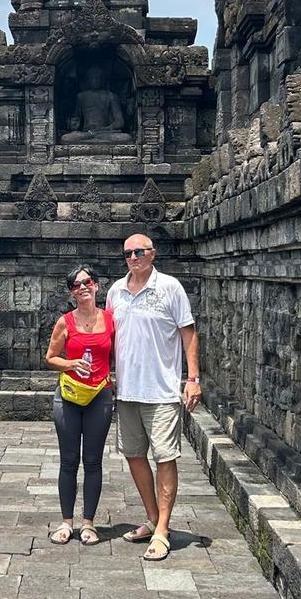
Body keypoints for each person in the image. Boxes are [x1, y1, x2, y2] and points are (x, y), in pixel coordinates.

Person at [106, 233, 201, 561]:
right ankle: (152, 517)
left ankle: (162, 529)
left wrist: (192, 379)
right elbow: (109, 337)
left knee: (164, 457)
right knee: (134, 455)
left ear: (153, 254)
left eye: (139, 252)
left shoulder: (170, 287)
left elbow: (188, 334)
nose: (133, 257)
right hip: (127, 390)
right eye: (128, 253)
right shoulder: (115, 291)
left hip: (161, 391)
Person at [44, 264, 115, 546]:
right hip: (69, 396)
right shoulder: (65, 322)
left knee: (93, 461)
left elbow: (119, 353)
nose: (82, 287)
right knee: (69, 460)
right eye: (76, 285)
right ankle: (66, 522)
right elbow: (51, 357)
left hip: (100, 395)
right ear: (72, 292)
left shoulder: (110, 319)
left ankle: (88, 523)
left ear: (96, 285)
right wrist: (70, 363)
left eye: (87, 282)